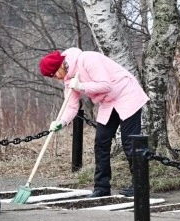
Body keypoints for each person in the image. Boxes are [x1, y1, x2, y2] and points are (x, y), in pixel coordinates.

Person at [39, 48, 149, 198]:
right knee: (100, 142)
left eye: (54, 74)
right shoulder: (68, 80)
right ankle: (101, 187)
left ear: (60, 66)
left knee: (130, 142)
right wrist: (61, 122)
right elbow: (71, 106)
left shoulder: (87, 59)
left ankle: (140, 185)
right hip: (108, 103)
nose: (56, 78)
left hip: (127, 95)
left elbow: (106, 85)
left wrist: (81, 86)